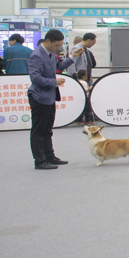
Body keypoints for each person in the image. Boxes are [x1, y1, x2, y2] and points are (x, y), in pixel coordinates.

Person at [26, 29, 84, 170]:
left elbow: (59, 66)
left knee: (47, 129)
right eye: (56, 45)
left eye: (60, 45)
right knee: (39, 130)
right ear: (47, 41)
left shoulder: (51, 54)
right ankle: (40, 160)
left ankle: (49, 156)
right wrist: (54, 82)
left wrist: (73, 56)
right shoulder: (36, 56)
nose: (58, 48)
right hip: (39, 97)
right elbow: (35, 78)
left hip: (49, 97)